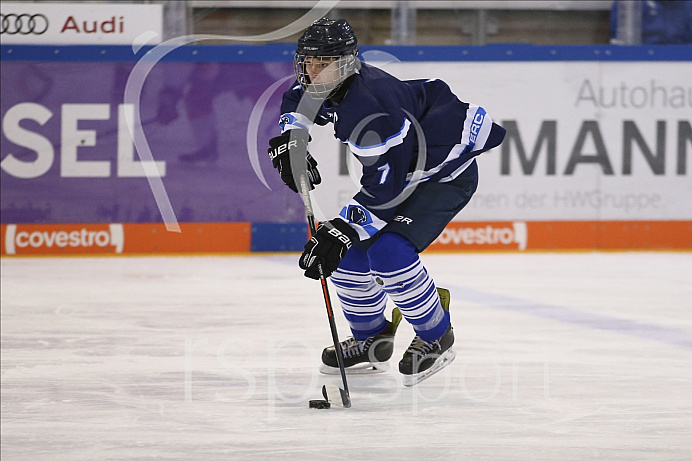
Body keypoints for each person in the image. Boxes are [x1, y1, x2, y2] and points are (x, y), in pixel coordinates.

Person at [267, 18, 506, 386]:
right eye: (309, 63)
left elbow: (386, 192)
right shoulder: (330, 83)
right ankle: (372, 340)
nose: (313, 73)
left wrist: (341, 229)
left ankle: (436, 335)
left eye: (323, 63)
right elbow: (297, 99)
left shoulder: (372, 110)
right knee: (346, 254)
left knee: (388, 253)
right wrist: (291, 137)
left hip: (442, 177)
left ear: (346, 64)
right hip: (404, 172)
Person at [610, 0, 692, 45]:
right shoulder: (629, 3)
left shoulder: (688, 5)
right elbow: (621, 42)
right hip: (638, 61)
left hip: (679, 62)